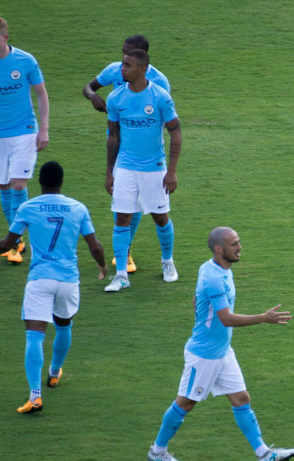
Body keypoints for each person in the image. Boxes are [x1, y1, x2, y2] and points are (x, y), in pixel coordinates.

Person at [147, 227, 294, 461]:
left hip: (222, 351)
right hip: (205, 355)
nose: (240, 248)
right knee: (185, 403)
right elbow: (226, 318)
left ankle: (264, 454)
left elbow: (198, 300)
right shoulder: (214, 278)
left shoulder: (213, 268)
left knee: (241, 398)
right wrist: (263, 318)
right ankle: (158, 451)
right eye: (234, 244)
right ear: (219, 249)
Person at [0, 161, 107, 413]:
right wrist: (102, 266)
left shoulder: (27, 207)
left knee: (34, 334)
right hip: (68, 280)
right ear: (61, 182)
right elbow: (94, 244)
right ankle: (54, 373)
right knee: (64, 324)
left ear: (40, 182)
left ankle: (35, 396)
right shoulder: (78, 208)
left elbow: (10, 241)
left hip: (40, 278)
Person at [82, 34, 171, 274]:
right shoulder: (114, 71)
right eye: (122, 53)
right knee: (125, 205)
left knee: (146, 206)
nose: (122, 61)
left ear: (143, 62)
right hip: (119, 144)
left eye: (128, 55)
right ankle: (125, 255)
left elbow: (164, 120)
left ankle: (140, 254)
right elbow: (87, 87)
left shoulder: (160, 83)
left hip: (147, 151)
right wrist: (93, 97)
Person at [0, 15, 50, 264]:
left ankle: (14, 242)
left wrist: (44, 128)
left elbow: (41, 94)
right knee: (3, 186)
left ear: (5, 37)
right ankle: (16, 238)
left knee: (17, 185)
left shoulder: (25, 61)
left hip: (25, 130)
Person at [103, 48, 181, 292]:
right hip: (125, 167)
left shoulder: (160, 97)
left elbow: (176, 133)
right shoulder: (116, 98)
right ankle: (121, 275)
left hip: (154, 167)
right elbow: (113, 137)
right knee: (122, 218)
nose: (121, 69)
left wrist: (172, 171)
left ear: (142, 69)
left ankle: (167, 262)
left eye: (127, 65)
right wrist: (109, 172)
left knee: (160, 217)